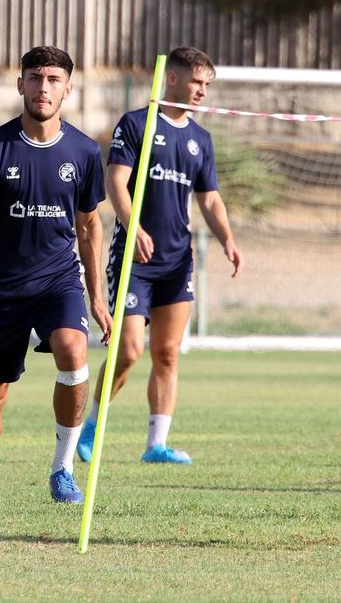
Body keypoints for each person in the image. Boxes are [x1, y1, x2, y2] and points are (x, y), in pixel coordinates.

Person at [0, 45, 111, 504]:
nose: (44, 88)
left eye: (54, 80)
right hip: (0, 288)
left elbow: (89, 226)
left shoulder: (83, 151)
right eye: (36, 78)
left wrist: (95, 297)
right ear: (19, 83)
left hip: (58, 281)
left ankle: (62, 470)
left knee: (72, 350)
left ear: (69, 88)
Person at [76, 47, 242, 466]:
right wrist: (134, 229)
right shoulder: (136, 125)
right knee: (128, 350)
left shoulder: (200, 139)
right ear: (172, 78)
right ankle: (93, 424)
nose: (202, 91)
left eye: (207, 84)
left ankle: (156, 445)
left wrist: (227, 238)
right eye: (196, 82)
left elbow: (210, 200)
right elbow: (117, 184)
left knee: (167, 354)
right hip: (134, 260)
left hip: (176, 262)